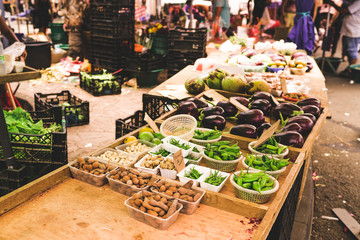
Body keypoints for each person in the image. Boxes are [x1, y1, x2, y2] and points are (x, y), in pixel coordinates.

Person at [329, 0, 360, 76]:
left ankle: (351, 71)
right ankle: (350, 69)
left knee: (352, 51)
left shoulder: (358, 2)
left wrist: (333, 5)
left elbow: (345, 11)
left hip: (353, 29)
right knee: (349, 51)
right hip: (349, 28)